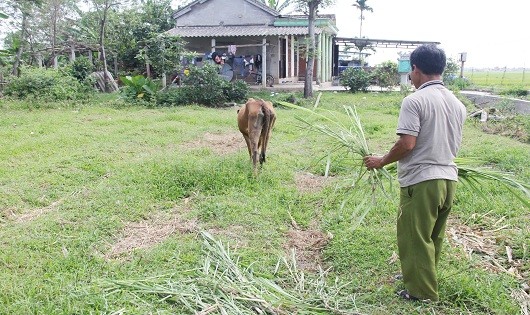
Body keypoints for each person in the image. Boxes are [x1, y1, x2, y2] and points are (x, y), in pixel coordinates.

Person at [363, 44, 466, 302]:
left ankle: (421, 293)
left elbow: (407, 144)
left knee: (414, 236)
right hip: (448, 180)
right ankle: (420, 274)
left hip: (422, 181)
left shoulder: (415, 100)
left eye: (411, 72)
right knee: (432, 235)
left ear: (416, 69)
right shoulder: (457, 104)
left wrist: (382, 161)